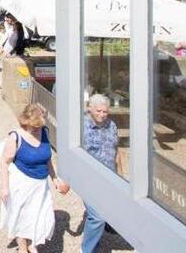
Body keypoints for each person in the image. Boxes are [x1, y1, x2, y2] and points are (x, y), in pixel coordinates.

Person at [0, 104, 69, 252]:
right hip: (22, 182)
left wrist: (55, 179)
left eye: (40, 126)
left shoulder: (44, 132)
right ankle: (23, 247)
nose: (38, 130)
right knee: (22, 215)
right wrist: (5, 187)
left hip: (41, 184)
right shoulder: (15, 137)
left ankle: (33, 242)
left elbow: (47, 159)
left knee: (39, 214)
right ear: (26, 122)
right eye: (35, 127)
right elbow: (4, 162)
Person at [81, 94, 122, 253]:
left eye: (105, 111)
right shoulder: (81, 127)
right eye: (98, 111)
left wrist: (121, 177)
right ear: (90, 108)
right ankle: (87, 250)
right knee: (97, 217)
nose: (102, 115)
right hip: (89, 179)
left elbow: (116, 151)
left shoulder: (112, 125)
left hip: (109, 178)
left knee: (105, 213)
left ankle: (102, 235)